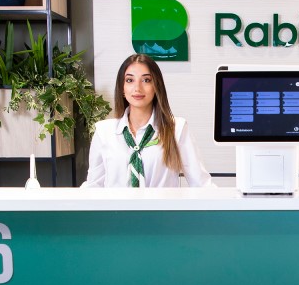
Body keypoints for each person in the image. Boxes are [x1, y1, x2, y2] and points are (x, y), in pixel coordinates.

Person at [82, 54, 214, 188]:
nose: (137, 88)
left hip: (163, 203)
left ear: (156, 86)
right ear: (122, 88)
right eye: (129, 80)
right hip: (116, 203)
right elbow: (93, 187)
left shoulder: (176, 129)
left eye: (146, 80)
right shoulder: (104, 132)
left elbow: (202, 184)